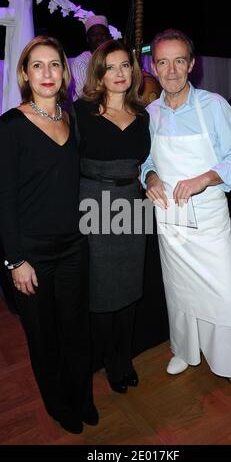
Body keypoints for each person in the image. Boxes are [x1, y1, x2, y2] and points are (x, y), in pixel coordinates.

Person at [141, 29, 231, 409]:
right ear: (153, 67)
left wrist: (204, 178)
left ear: (192, 65)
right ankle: (185, 350)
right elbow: (144, 162)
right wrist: (151, 177)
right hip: (170, 222)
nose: (172, 69)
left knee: (223, 293)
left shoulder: (214, 106)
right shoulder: (151, 113)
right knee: (177, 291)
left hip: (209, 219)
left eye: (180, 60)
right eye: (163, 61)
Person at [0, 36, 98, 434]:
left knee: (76, 329)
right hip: (31, 252)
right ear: (25, 73)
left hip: (74, 245)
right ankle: (58, 404)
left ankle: (82, 396)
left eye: (54, 64)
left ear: (65, 72)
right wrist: (15, 259)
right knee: (43, 335)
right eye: (37, 65)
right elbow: (4, 200)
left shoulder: (71, 118)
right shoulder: (10, 125)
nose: (47, 73)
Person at [73, 39, 150, 394]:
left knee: (129, 285)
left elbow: (150, 163)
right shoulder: (80, 113)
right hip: (93, 203)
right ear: (99, 74)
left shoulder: (143, 113)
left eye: (125, 66)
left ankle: (126, 357)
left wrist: (153, 176)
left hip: (132, 203)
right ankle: (110, 362)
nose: (119, 73)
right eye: (111, 67)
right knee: (102, 290)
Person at [71, 15, 112, 100]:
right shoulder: (80, 61)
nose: (99, 38)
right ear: (87, 39)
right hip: (86, 108)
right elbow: (83, 94)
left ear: (109, 37)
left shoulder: (115, 58)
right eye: (94, 35)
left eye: (103, 34)